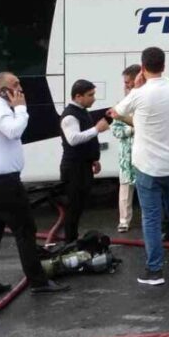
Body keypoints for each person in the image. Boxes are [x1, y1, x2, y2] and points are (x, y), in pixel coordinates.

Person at [0, 72, 67, 297]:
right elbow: (14, 131)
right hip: (3, 182)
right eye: (15, 85)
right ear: (2, 90)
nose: (20, 89)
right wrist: (22, 109)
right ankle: (38, 281)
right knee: (25, 230)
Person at [109, 47, 169, 285]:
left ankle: (154, 270)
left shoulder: (139, 94)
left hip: (148, 168)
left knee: (151, 218)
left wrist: (136, 87)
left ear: (142, 67)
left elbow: (116, 112)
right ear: (164, 65)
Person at [59, 79, 109, 244]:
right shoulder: (70, 116)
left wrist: (93, 159)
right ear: (78, 96)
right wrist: (97, 129)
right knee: (73, 207)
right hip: (74, 168)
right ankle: (70, 242)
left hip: (83, 165)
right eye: (90, 95)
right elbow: (73, 139)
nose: (94, 98)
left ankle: (72, 240)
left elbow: (86, 139)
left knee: (79, 206)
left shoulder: (82, 112)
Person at [112, 64, 140, 232]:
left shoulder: (144, 102)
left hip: (142, 154)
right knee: (125, 190)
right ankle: (124, 221)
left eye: (128, 81)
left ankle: (150, 220)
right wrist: (132, 130)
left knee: (146, 190)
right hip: (125, 156)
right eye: (125, 82)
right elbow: (115, 130)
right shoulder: (121, 105)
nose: (126, 85)